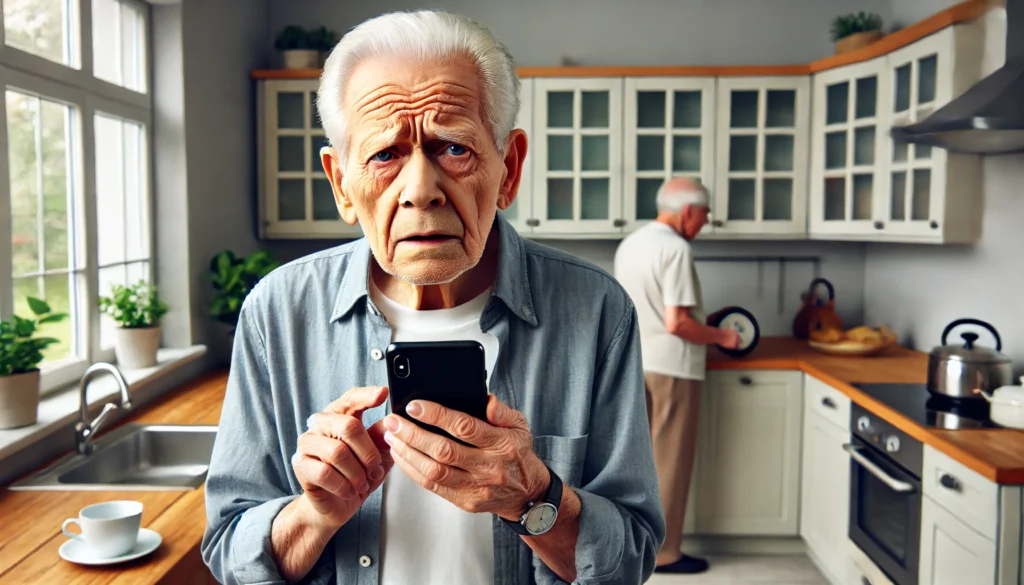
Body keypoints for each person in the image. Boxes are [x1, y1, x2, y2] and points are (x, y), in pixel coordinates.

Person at [201, 10, 665, 585]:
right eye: (385, 155)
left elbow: (631, 559)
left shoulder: (597, 312)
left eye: (452, 148)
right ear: (341, 184)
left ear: (509, 169)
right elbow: (227, 550)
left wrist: (534, 499)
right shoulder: (277, 312)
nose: (421, 191)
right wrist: (316, 513)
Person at [613, 177, 741, 575]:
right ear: (688, 211)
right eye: (704, 215)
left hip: (637, 363)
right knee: (670, 461)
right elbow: (678, 323)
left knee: (639, 463)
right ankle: (665, 554)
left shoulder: (632, 243)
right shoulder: (676, 248)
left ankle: (632, 544)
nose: (704, 223)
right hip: (673, 370)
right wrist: (724, 336)